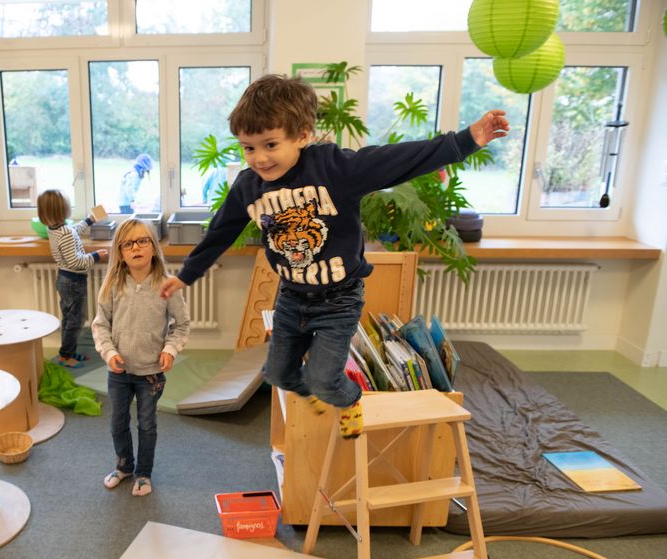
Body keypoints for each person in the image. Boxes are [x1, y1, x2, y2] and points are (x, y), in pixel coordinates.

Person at [160, 74, 508, 438]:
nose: (259, 158)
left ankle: (352, 398)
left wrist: (468, 140)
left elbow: (399, 159)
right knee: (277, 374)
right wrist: (186, 275)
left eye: (270, 144)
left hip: (339, 300)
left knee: (325, 380)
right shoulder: (249, 185)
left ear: (302, 135)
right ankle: (316, 399)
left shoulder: (335, 169)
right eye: (248, 148)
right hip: (292, 297)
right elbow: (220, 231)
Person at [91, 217, 190, 497]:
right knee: (117, 423)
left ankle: (143, 473)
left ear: (153, 246)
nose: (136, 247)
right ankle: (124, 466)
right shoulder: (111, 286)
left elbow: (181, 325)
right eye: (128, 243)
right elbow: (100, 325)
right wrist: (108, 352)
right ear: (120, 253)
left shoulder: (166, 286)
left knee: (146, 424)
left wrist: (170, 349)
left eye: (142, 241)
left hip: (151, 374)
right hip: (119, 373)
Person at [37, 189, 108, 368]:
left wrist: (90, 220)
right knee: (76, 320)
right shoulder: (65, 233)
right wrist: (96, 256)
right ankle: (66, 356)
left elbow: (74, 231)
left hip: (64, 279)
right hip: (73, 281)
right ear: (63, 210)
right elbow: (76, 262)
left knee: (69, 319)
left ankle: (66, 352)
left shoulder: (55, 229)